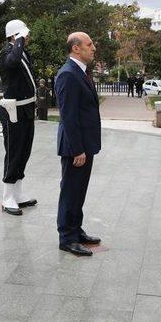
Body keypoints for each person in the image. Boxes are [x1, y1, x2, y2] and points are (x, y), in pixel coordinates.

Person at [55, 32, 102, 256]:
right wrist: (77, 149)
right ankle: (67, 237)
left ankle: (76, 229)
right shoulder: (67, 75)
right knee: (70, 191)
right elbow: (68, 116)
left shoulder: (80, 72)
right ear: (76, 48)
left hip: (85, 144)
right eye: (89, 44)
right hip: (76, 148)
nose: (93, 48)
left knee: (79, 191)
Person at [0, 19, 38, 215]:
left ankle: (18, 194)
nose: (27, 37)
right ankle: (7, 197)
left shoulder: (20, 52)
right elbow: (12, 62)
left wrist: (19, 41)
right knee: (13, 153)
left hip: (26, 110)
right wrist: (18, 40)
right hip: (14, 112)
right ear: (14, 36)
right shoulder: (7, 53)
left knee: (24, 153)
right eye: (23, 34)